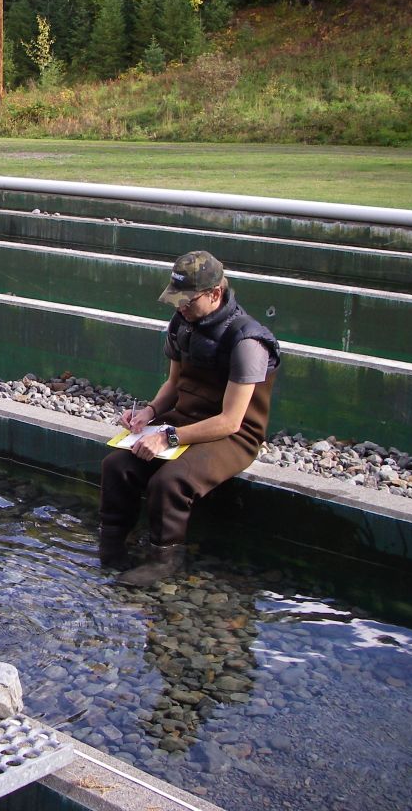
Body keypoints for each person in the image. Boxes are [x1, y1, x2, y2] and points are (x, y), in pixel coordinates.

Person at [99, 250, 280, 587]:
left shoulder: (248, 342)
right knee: (117, 466)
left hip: (232, 435)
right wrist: (149, 413)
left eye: (187, 300)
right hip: (183, 418)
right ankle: (111, 544)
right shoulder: (182, 324)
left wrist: (166, 437)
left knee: (169, 482)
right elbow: (173, 383)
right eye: (176, 299)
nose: (180, 307)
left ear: (215, 293)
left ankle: (163, 559)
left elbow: (230, 421)